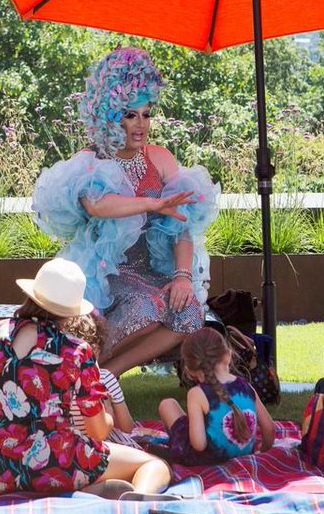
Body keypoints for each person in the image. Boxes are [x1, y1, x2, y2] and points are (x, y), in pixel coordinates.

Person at [33, 47, 219, 376]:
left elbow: (183, 224)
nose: (140, 124)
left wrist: (182, 277)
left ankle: (105, 376)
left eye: (146, 114)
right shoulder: (93, 160)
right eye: (131, 115)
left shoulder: (160, 159)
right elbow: (97, 205)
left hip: (153, 272)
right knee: (146, 307)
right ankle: (75, 372)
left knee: (189, 313)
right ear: (110, 116)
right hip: (108, 273)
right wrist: (152, 203)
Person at [0, 258, 173, 500]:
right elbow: (98, 431)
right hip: (54, 465)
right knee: (155, 465)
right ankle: (135, 500)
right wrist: (108, 417)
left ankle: (86, 491)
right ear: (70, 311)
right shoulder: (75, 351)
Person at [157, 327, 274, 465]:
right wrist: (262, 450)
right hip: (244, 454)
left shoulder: (197, 394)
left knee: (167, 404)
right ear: (228, 355)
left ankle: (174, 445)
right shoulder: (246, 387)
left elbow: (198, 445)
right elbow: (269, 429)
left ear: (189, 369)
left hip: (204, 460)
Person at [64, 310, 138, 447]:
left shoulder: (55, 379)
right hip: (104, 447)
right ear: (96, 349)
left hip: (66, 445)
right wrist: (108, 412)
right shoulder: (104, 378)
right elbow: (127, 428)